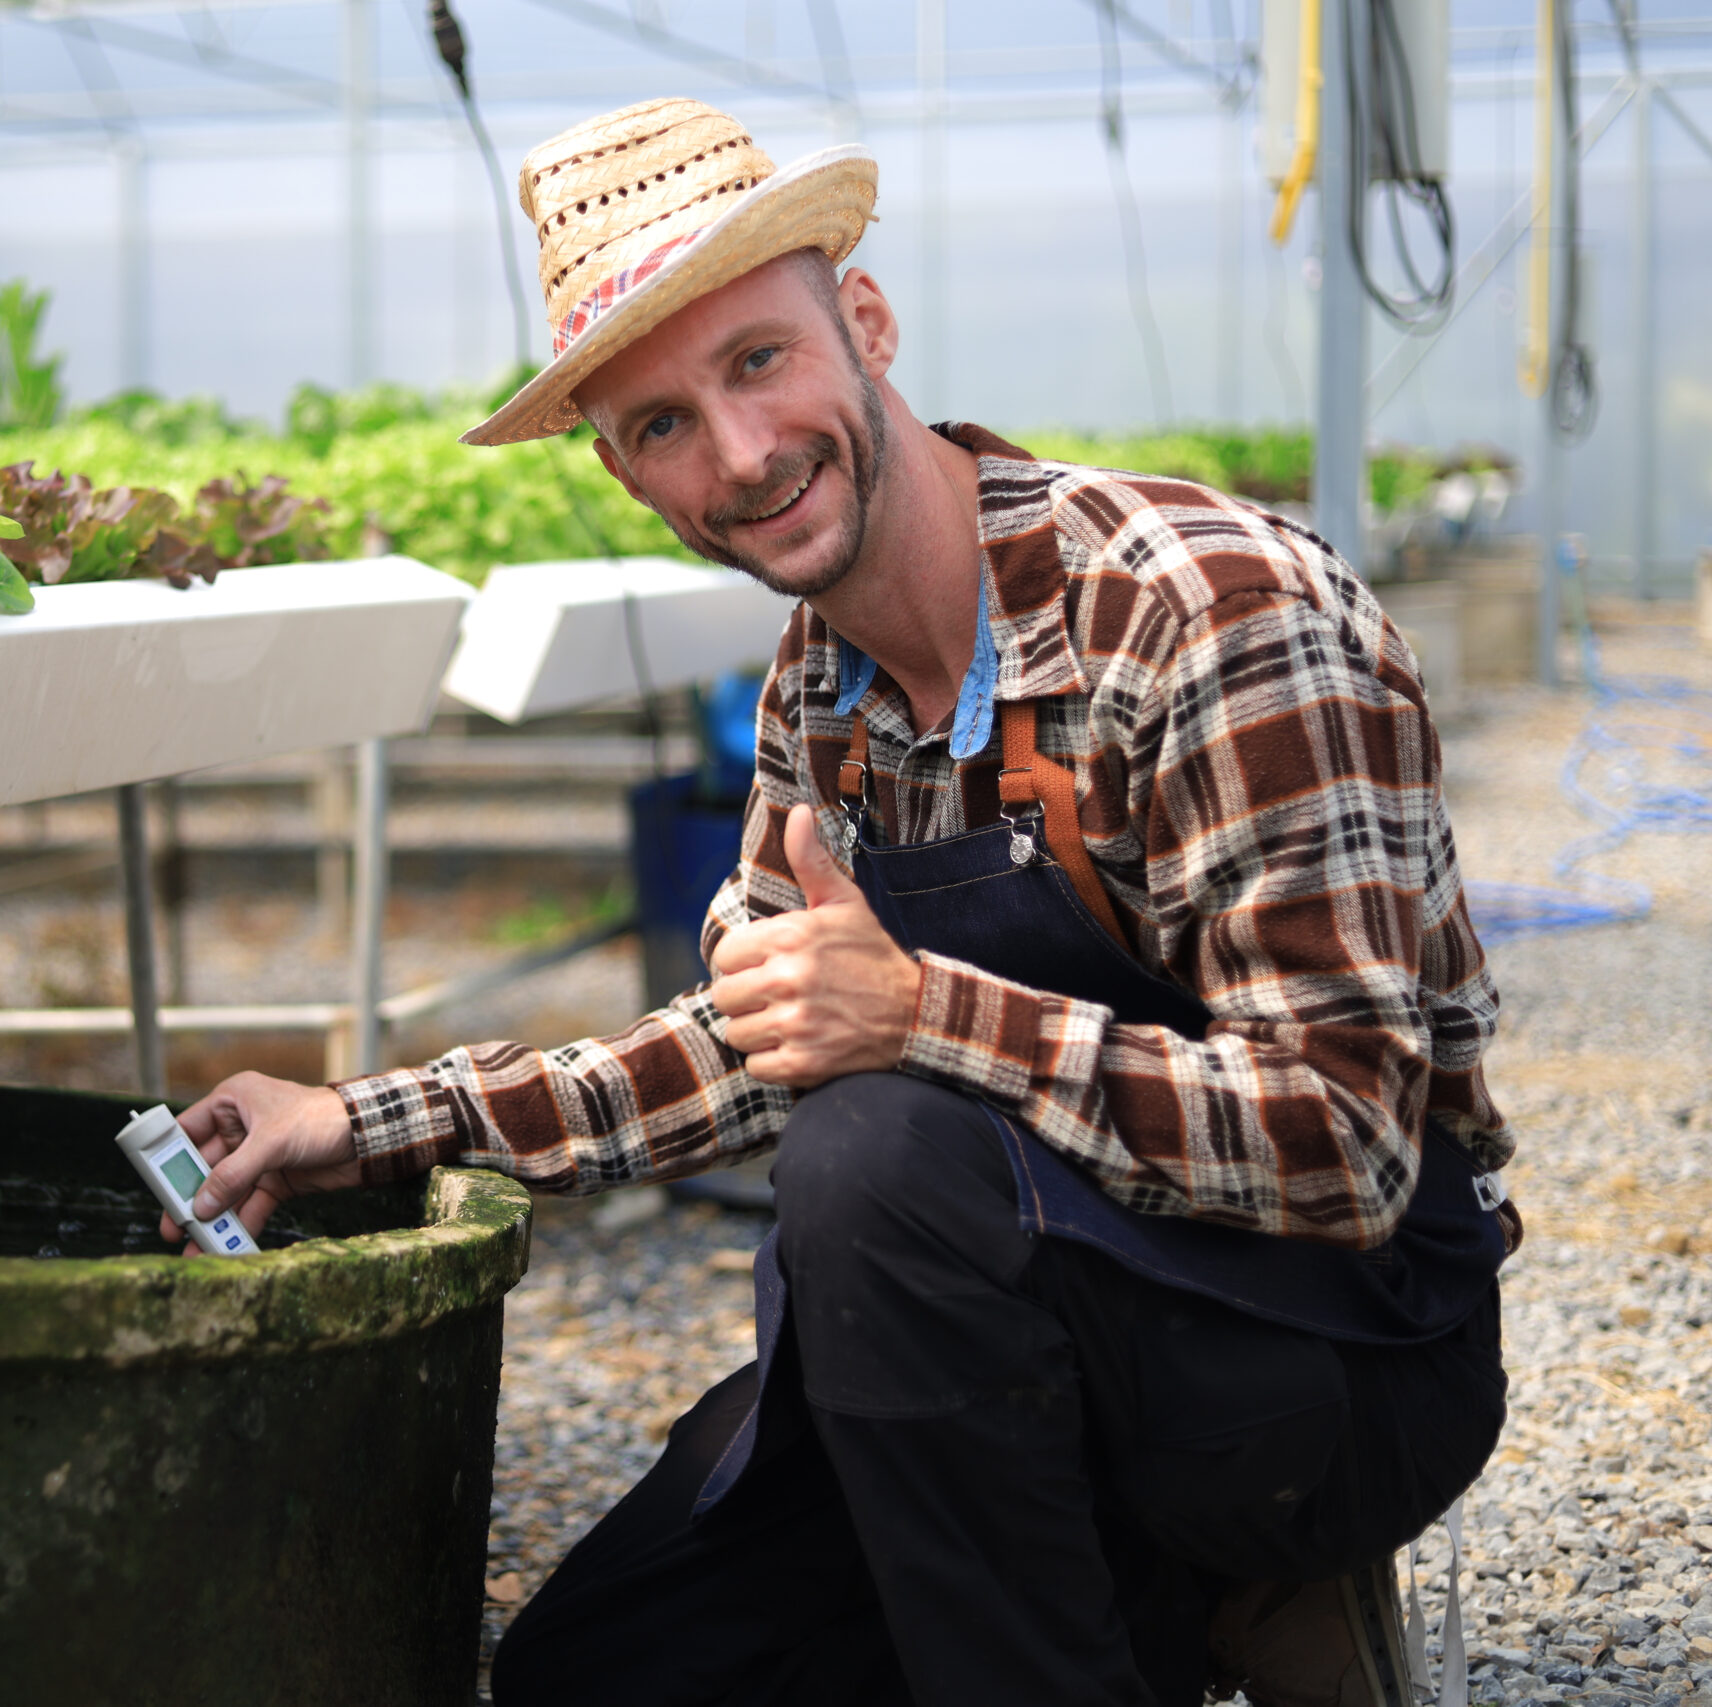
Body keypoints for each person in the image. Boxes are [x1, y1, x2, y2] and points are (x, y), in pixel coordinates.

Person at [165, 97, 1516, 1706]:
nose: (739, 455)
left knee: (877, 1160)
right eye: (662, 423)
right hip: (1023, 1331)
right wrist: (362, 1123)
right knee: (602, 1674)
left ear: (862, 324)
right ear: (621, 472)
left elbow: (1350, 1140)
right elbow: (746, 1042)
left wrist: (929, 1014)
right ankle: (1189, 1605)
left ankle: (1251, 1561)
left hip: (1330, 1350)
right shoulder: (821, 692)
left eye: (759, 362)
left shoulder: (1205, 614)